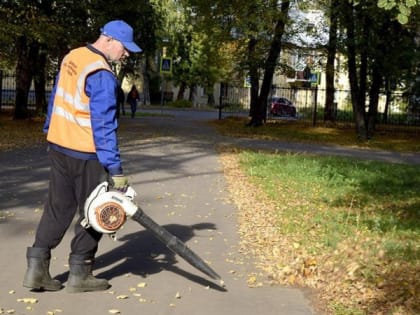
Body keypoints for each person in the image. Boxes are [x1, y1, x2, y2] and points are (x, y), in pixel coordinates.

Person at [23, 20, 142, 293]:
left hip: (59, 145)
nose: (126, 55)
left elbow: (57, 97)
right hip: (86, 154)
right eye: (125, 49)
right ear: (109, 40)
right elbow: (103, 126)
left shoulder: (73, 57)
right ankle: (80, 272)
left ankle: (36, 270)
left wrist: (49, 129)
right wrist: (115, 168)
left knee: (57, 207)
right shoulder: (101, 73)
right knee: (95, 211)